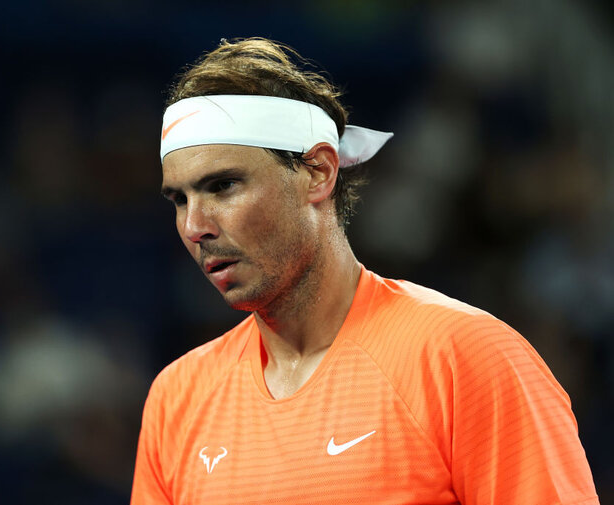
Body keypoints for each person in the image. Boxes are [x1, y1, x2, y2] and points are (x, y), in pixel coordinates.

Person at [131, 38, 599, 505]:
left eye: (223, 185)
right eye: (180, 199)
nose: (195, 227)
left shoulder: (465, 358)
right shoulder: (177, 399)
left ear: (318, 172)